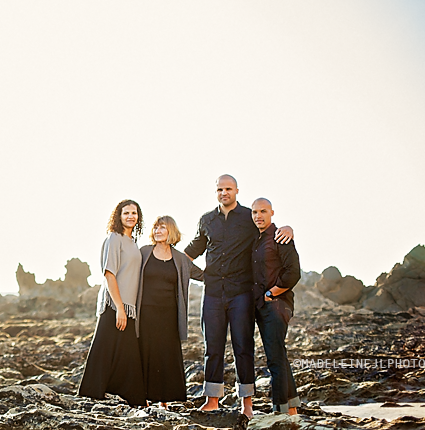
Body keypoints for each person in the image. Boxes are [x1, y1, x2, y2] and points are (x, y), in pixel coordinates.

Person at [184, 174, 293, 419]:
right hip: (212, 294)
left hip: (241, 294)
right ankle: (212, 400)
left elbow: (269, 230)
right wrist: (200, 276)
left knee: (243, 348)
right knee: (212, 347)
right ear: (216, 192)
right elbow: (190, 253)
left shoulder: (248, 217)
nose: (224, 193)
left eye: (229, 189)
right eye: (220, 189)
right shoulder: (206, 220)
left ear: (237, 191)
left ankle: (247, 405)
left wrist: (288, 228)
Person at [78, 199, 147, 408]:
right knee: (103, 349)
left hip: (128, 308)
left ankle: (134, 398)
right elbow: (109, 274)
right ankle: (90, 395)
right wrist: (118, 308)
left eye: (134, 213)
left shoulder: (133, 242)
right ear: (118, 216)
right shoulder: (114, 239)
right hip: (114, 306)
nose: (130, 216)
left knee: (127, 353)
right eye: (126, 213)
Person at [137, 215, 203, 407]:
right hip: (146, 313)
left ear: (171, 231)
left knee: (166, 355)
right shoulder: (143, 253)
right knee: (146, 353)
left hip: (169, 315)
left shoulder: (180, 258)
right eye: (155, 228)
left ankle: (164, 400)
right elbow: (126, 270)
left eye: (162, 228)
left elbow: (203, 275)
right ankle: (144, 399)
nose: (158, 231)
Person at [250, 198, 301, 415]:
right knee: (279, 354)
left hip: (277, 305)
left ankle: (279, 410)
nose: (258, 216)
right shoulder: (256, 240)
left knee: (274, 357)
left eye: (263, 211)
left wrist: (271, 293)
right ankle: (292, 409)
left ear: (272, 212)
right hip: (262, 306)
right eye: (254, 212)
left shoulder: (281, 237)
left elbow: (293, 273)